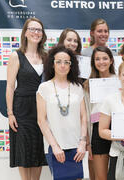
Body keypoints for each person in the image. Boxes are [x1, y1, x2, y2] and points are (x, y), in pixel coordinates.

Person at [37, 45, 87, 180]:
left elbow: (83, 117)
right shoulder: (44, 88)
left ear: (71, 65)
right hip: (55, 147)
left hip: (77, 147)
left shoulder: (77, 87)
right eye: (58, 61)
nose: (62, 65)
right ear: (52, 64)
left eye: (66, 62)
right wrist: (54, 146)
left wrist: (82, 142)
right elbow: (41, 120)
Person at [6, 17, 47, 180]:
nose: (36, 33)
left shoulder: (46, 56)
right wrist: (10, 113)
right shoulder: (16, 56)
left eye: (39, 30)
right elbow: (10, 86)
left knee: (37, 148)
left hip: (41, 109)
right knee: (23, 149)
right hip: (22, 109)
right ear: (25, 32)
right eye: (32, 29)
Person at [84, 46, 116, 180]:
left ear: (111, 61)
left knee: (117, 175)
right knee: (101, 177)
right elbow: (85, 114)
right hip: (97, 131)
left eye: (104, 58)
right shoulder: (87, 85)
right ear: (93, 63)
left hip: (117, 128)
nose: (101, 62)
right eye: (97, 59)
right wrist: (87, 142)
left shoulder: (119, 80)